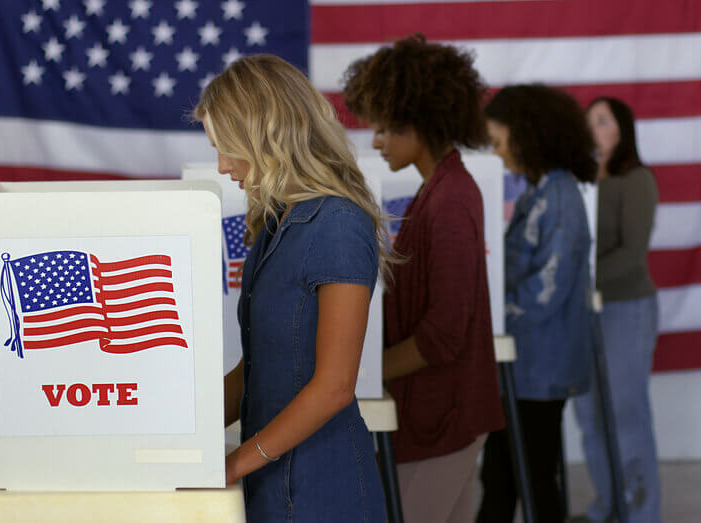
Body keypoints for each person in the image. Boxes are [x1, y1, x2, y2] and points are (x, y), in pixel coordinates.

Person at [196, 54, 393, 522]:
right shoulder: (275, 222)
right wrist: (181, 435)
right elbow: (256, 369)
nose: (223, 166)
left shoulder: (339, 222)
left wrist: (233, 464)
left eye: (228, 147)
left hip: (323, 488)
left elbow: (335, 387)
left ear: (266, 136)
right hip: (272, 480)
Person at [342, 34, 505, 523]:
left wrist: (357, 376)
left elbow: (444, 333)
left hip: (446, 414)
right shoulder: (440, 190)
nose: (374, 140)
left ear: (420, 120)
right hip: (442, 412)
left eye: (386, 127)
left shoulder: (451, 199)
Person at [476, 84, 597, 523]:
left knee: (530, 478)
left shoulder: (559, 198)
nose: (497, 153)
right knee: (505, 475)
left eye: (498, 142)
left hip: (540, 368)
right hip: (524, 365)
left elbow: (547, 288)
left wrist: (486, 315)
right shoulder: (539, 192)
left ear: (527, 135)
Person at [572, 97, 661, 523]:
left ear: (622, 130)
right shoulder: (579, 181)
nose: (594, 129)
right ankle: (608, 506)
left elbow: (633, 252)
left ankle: (641, 513)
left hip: (626, 308)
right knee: (589, 416)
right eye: (589, 122)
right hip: (582, 312)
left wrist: (580, 279)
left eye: (603, 121)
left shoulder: (637, 179)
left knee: (626, 413)